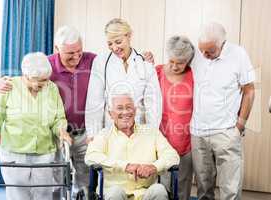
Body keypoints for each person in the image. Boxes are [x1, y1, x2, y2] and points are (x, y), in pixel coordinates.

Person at [0, 25, 155, 196]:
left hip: (84, 134)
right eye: (70, 53)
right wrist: (2, 82)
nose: (76, 56)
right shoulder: (46, 65)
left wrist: (142, 58)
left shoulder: (93, 61)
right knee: (55, 181)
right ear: (57, 49)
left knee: (85, 180)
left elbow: (119, 60)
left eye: (79, 51)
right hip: (55, 134)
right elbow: (25, 78)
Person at [0, 52, 73, 200]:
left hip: (45, 152)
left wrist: (61, 131)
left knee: (44, 194)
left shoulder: (51, 88)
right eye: (36, 80)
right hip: (15, 152)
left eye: (45, 80)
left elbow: (58, 118)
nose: (41, 84)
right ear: (25, 75)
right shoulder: (9, 86)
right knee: (18, 195)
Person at [190, 22, 255, 200]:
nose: (204, 55)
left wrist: (240, 126)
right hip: (198, 133)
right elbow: (175, 64)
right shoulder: (196, 53)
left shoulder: (238, 54)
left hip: (226, 132)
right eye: (202, 50)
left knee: (230, 190)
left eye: (210, 51)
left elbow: (249, 90)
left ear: (222, 44)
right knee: (203, 189)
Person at [85, 91, 180, 200]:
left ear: (135, 111)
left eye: (129, 107)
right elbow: (90, 156)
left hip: (145, 192)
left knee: (159, 190)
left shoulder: (152, 132)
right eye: (120, 108)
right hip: (115, 193)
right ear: (110, 114)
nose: (125, 112)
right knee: (115, 192)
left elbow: (173, 156)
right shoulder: (104, 135)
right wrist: (125, 166)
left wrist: (154, 167)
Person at [85, 18, 162, 141]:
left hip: (139, 131)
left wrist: (153, 134)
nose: (114, 48)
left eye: (118, 42)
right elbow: (94, 101)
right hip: (111, 131)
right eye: (110, 44)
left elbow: (153, 103)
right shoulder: (101, 62)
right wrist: (93, 134)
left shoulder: (144, 63)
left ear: (129, 36)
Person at [156, 36, 194, 200]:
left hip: (186, 139)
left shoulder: (194, 76)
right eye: (171, 61)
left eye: (180, 62)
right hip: (161, 138)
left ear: (188, 61)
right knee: (162, 185)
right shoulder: (156, 72)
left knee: (183, 184)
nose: (174, 66)